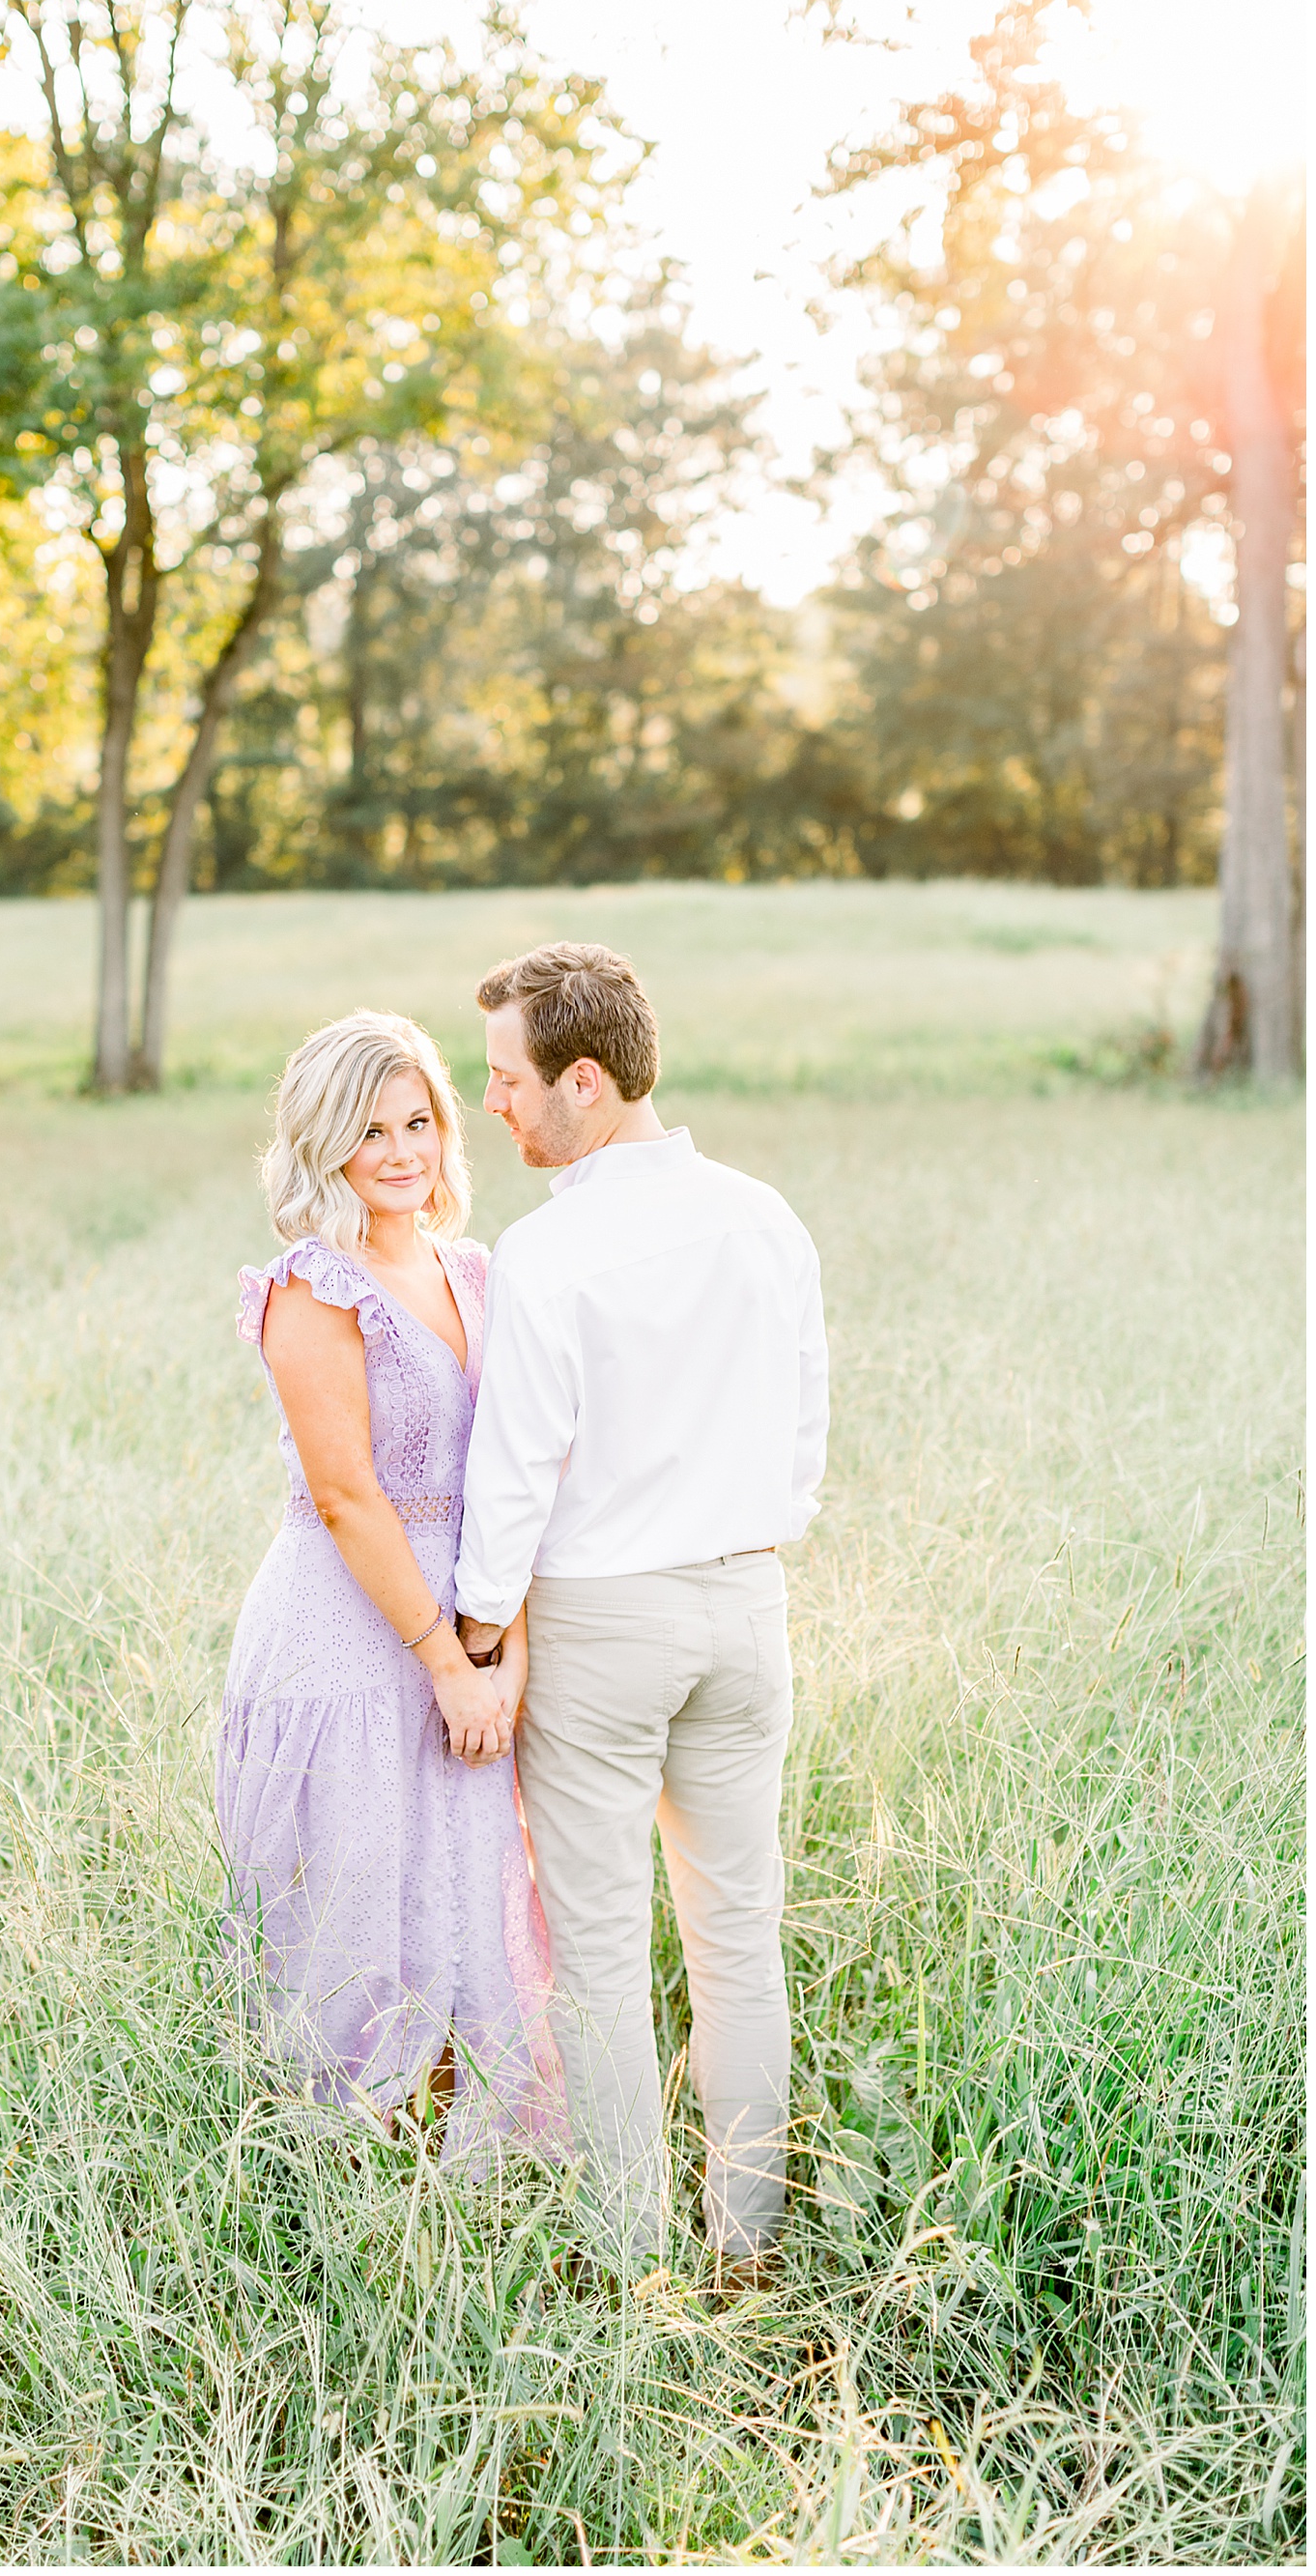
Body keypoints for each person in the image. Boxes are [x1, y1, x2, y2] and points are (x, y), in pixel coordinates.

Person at [454, 942, 828, 2281]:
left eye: (508, 1079)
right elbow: (803, 1436)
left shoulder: (548, 1253)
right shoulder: (765, 1215)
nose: (490, 1102)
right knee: (739, 1941)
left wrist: (481, 1635)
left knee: (602, 1958)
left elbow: (514, 1475)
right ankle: (748, 2245)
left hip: (606, 1621)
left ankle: (628, 2261)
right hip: (746, 1605)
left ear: (588, 1082)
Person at [217, 1009, 564, 2165]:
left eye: (420, 1120)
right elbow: (348, 1496)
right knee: (358, 1915)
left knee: (470, 1898)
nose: (404, 1150)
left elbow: (512, 1468)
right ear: (324, 1144)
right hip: (352, 1639)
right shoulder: (312, 1287)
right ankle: (346, 2184)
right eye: (372, 1130)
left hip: (466, 1623)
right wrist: (443, 1665)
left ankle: (471, 2183)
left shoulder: (472, 1268)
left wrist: (501, 1645)